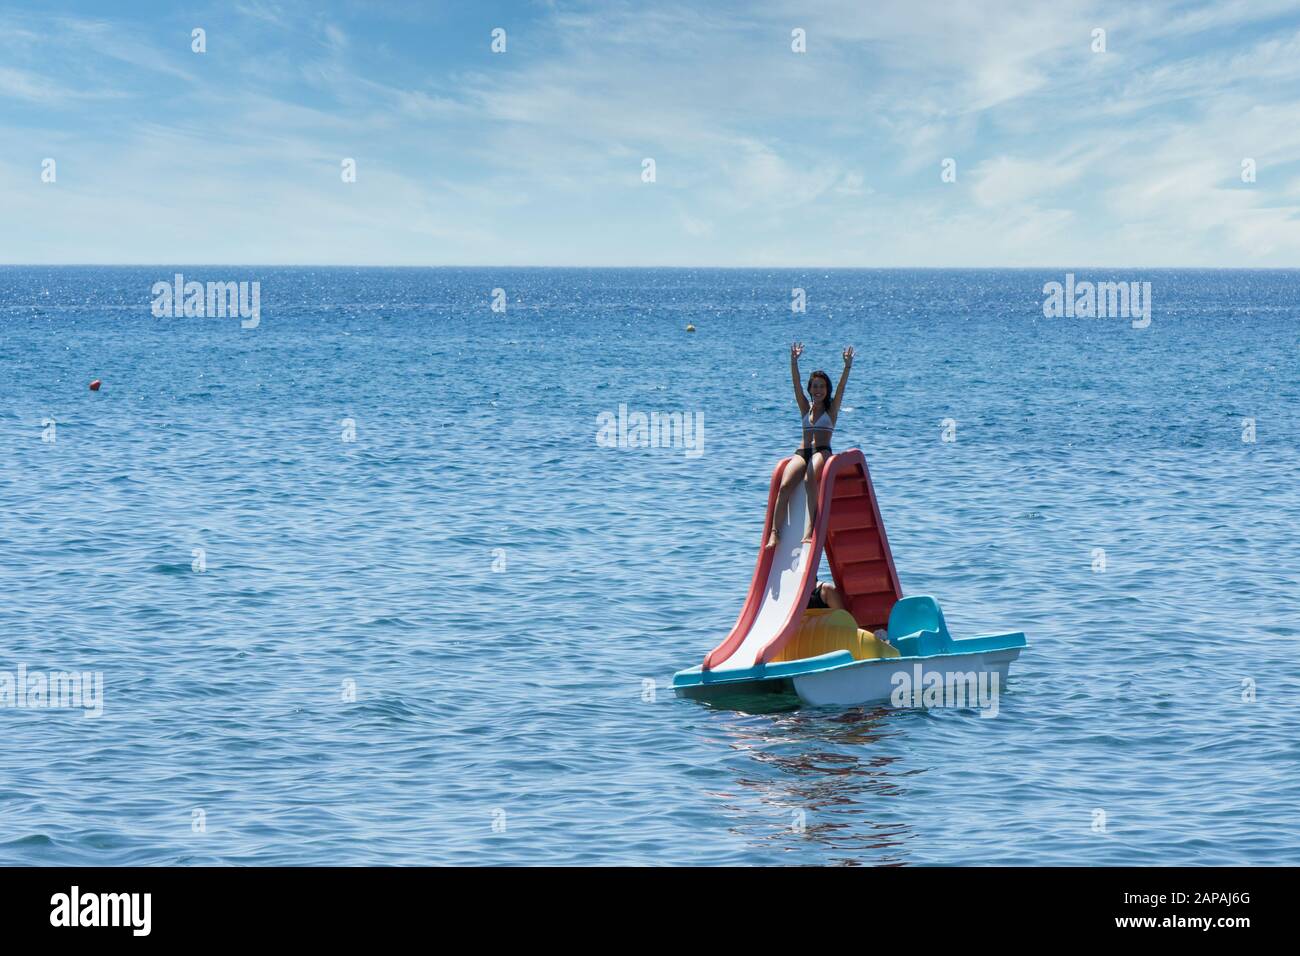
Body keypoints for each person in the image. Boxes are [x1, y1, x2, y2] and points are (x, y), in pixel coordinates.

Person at [764, 342, 854, 549]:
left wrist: (847, 366)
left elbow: (841, 388)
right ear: (810, 388)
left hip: (822, 451)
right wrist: (793, 362)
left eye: (822, 386)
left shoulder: (831, 411)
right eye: (815, 386)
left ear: (826, 389)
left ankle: (809, 529)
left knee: (809, 477)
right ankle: (774, 534)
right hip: (802, 451)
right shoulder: (805, 408)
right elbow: (795, 385)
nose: (818, 390)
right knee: (785, 484)